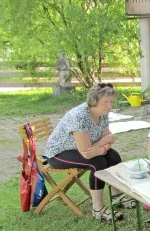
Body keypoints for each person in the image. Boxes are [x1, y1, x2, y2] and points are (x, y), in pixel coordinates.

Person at [45, 83, 133, 222]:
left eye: (111, 101)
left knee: (113, 156)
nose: (110, 106)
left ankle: (117, 196)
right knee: (97, 163)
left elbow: (110, 138)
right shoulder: (79, 116)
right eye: (106, 102)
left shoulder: (103, 113)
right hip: (59, 154)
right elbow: (87, 153)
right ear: (94, 100)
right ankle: (97, 209)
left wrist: (101, 147)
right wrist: (103, 144)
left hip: (81, 148)